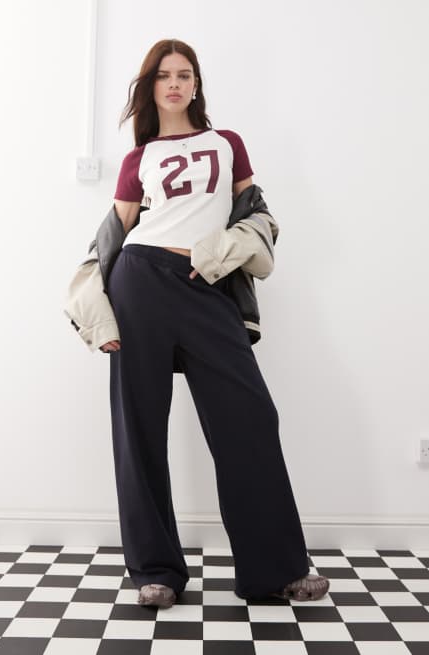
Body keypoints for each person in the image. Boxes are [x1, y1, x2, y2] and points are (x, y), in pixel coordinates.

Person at [100, 38, 330, 608]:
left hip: (207, 285)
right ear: (150, 86)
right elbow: (112, 236)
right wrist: (96, 309)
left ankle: (275, 569)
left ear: (197, 84)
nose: (174, 83)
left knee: (251, 419)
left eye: (184, 74)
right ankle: (155, 571)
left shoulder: (226, 143)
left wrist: (230, 248)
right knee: (139, 427)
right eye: (164, 75)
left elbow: (257, 214)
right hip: (141, 280)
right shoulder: (138, 158)